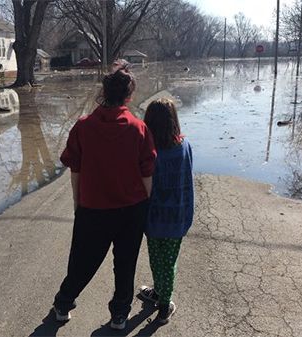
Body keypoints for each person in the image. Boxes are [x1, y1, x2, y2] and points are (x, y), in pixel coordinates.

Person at [53, 60, 157, 330]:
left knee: (82, 263)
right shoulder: (138, 128)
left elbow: (74, 169)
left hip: (92, 210)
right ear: (129, 95)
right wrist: (148, 208)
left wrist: (79, 204)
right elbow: (147, 174)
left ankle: (63, 305)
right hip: (131, 211)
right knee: (125, 265)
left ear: (104, 92)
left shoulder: (83, 126)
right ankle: (120, 315)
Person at [137, 98, 194, 325]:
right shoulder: (184, 146)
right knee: (168, 261)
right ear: (174, 121)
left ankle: (163, 303)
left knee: (157, 258)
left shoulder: (146, 151)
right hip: (177, 217)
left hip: (153, 218)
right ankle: (162, 296)